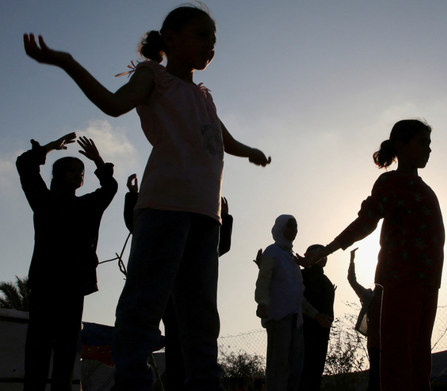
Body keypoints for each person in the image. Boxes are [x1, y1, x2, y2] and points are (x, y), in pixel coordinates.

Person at [24, 5, 270, 391]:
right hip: (163, 210)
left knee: (202, 313)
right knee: (144, 304)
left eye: (215, 40)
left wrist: (249, 150)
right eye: (202, 35)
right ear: (170, 38)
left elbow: (224, 139)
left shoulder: (204, 96)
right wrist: (67, 62)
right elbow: (112, 103)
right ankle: (132, 382)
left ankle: (205, 382)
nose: (211, 46)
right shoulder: (153, 76)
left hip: (206, 217)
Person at [304, 119, 444, 391]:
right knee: (397, 360)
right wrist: (330, 247)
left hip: (429, 283)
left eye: (430, 144)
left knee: (419, 359)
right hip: (400, 281)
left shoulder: (426, 189)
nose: (429, 150)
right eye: (422, 143)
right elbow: (366, 221)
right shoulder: (390, 182)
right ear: (401, 146)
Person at [16, 133, 117, 391]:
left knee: (64, 358)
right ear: (59, 174)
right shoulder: (45, 201)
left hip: (72, 288)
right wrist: (50, 147)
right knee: (38, 356)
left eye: (81, 171)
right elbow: (25, 165)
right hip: (47, 286)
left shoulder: (86, 206)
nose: (79, 175)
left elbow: (110, 189)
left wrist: (97, 160)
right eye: (73, 170)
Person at [123, 174, 233, 391]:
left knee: (194, 347)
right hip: (172, 301)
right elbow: (139, 227)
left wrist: (224, 218)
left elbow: (220, 246)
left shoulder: (198, 240)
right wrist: (133, 197)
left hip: (192, 301)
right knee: (176, 348)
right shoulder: (165, 231)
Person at [254, 215, 332, 391]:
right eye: (290, 226)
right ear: (280, 228)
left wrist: (316, 314)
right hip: (278, 317)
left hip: (296, 320)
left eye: (296, 226)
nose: (294, 230)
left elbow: (297, 296)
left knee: (295, 366)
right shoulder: (272, 252)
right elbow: (264, 280)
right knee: (278, 365)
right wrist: (262, 303)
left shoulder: (292, 259)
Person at [299, 244, 335, 391]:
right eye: (318, 254)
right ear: (307, 256)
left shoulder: (326, 283)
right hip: (301, 333)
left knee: (314, 378)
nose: (322, 257)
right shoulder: (300, 276)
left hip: (320, 336)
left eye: (324, 255)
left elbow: (329, 314)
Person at [347, 248, 381, 391]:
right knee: (376, 377)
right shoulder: (370, 296)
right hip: (376, 343)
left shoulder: (395, 296)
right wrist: (352, 260)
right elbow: (352, 280)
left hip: (391, 341)